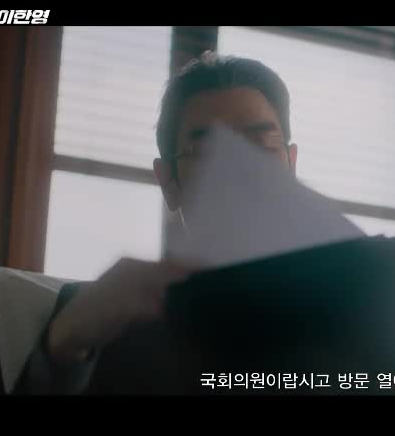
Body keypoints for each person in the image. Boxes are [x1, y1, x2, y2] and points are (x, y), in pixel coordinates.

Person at [15, 51, 299, 394]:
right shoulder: (98, 317)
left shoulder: (347, 302)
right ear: (168, 182)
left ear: (291, 166)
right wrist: (63, 346)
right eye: (206, 155)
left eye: (261, 147)